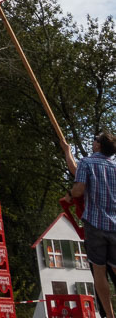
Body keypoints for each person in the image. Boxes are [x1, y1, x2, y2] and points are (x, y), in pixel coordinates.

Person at [71, 131, 116, 318]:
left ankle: (110, 315)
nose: (93, 141)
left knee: (99, 271)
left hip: (95, 224)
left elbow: (79, 190)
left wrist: (71, 193)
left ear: (98, 145)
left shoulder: (86, 162)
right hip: (115, 225)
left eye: (95, 139)